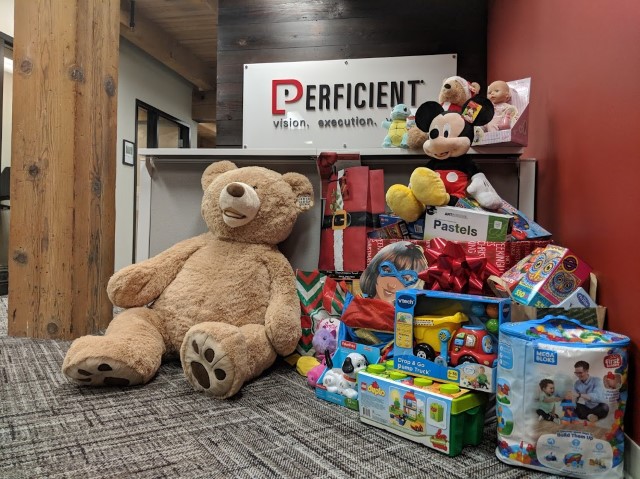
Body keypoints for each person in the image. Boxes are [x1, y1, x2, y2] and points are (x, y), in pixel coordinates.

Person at [359, 241, 427, 304]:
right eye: (388, 271)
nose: (392, 285)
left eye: (405, 279)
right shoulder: (358, 306)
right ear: (375, 270)